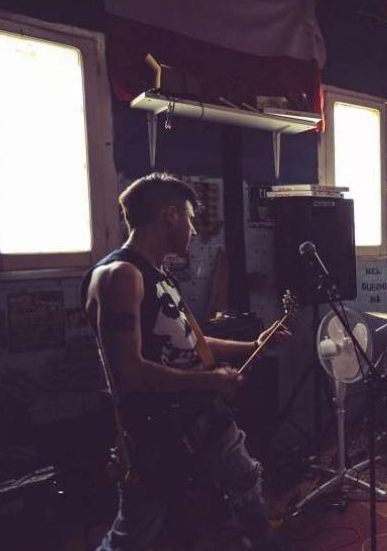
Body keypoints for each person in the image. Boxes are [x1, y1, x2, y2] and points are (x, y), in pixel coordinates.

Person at [82, 172, 290, 551]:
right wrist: (212, 381)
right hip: (156, 430)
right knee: (136, 531)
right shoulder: (120, 276)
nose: (194, 229)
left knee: (245, 481)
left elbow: (194, 342)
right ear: (170, 215)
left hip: (202, 415)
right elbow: (128, 373)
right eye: (191, 218)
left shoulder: (158, 273)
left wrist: (252, 345)